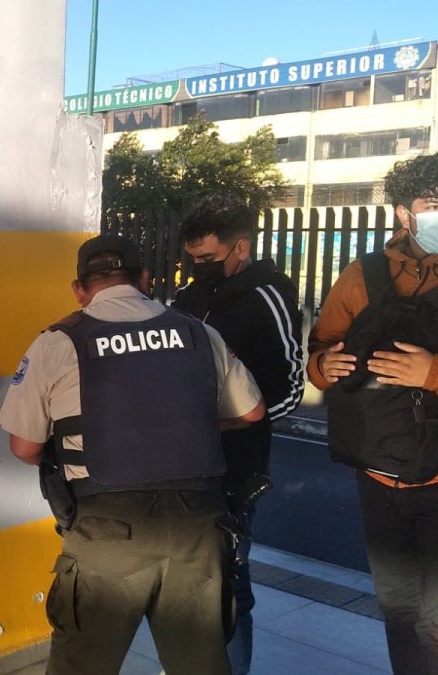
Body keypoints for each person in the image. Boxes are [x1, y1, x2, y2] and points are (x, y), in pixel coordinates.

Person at [0, 234, 265, 675]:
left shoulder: (58, 341)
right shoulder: (198, 332)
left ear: (79, 288)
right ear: (145, 278)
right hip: (197, 531)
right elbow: (252, 411)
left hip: (106, 533)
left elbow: (24, 447)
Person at [308, 150, 438, 673]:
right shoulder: (364, 275)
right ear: (404, 214)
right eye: (434, 203)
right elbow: (320, 352)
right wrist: (325, 364)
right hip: (380, 476)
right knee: (401, 621)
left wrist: (435, 374)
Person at [173, 192, 304, 674]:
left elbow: (290, 389)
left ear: (241, 248)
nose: (199, 267)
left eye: (208, 259)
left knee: (228, 587)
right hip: (184, 461)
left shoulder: (267, 295)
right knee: (184, 583)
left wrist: (225, 421)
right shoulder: (193, 294)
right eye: (193, 260)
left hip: (235, 467)